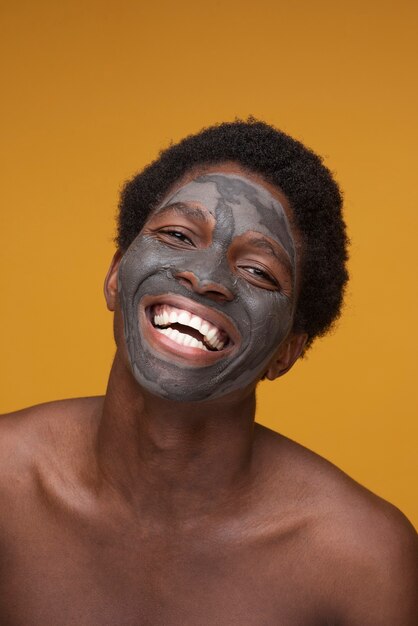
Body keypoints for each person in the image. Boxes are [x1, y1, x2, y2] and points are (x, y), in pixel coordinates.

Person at [0, 119, 416, 625]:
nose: (205, 277)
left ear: (288, 350)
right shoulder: (8, 487)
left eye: (259, 271)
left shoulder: (363, 562)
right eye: (177, 235)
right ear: (115, 275)